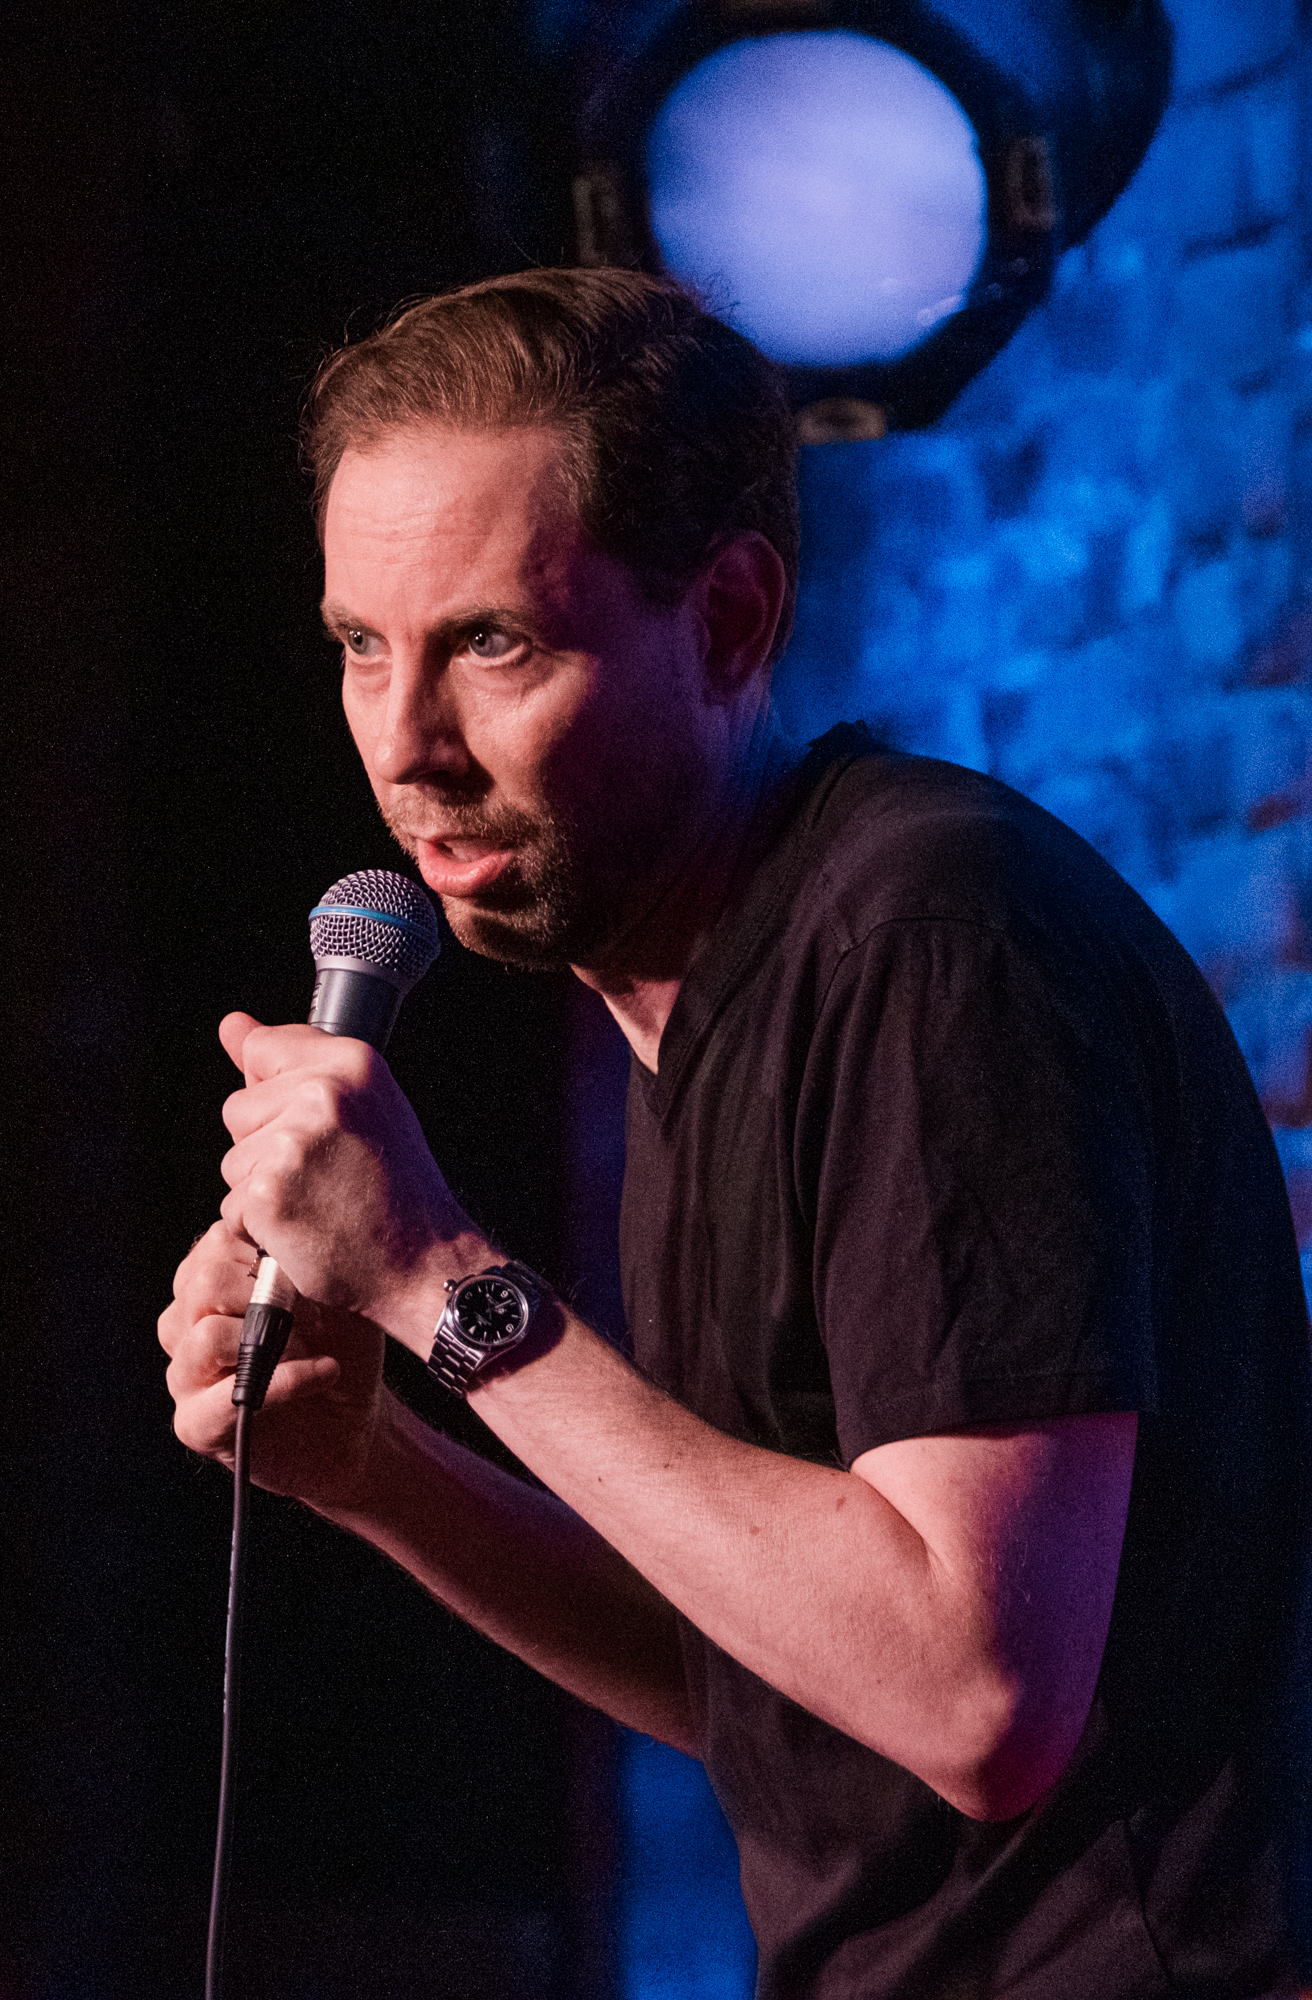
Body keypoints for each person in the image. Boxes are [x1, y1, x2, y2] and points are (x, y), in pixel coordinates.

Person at [158, 268, 1309, 1996]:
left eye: (493, 645)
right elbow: (770, 1669)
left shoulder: (927, 942)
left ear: (728, 622)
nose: (409, 746)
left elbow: (974, 1696)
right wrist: (381, 1474)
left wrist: (443, 1286)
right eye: (361, 648)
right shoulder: (698, 1001)